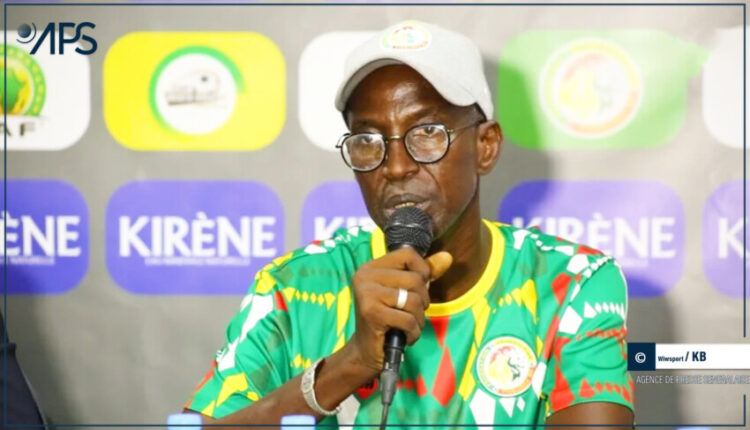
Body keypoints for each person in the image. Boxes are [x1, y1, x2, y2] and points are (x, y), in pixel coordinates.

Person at [184, 20, 634, 428]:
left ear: (486, 146)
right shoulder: (294, 287)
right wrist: (351, 362)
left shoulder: (570, 283)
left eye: (427, 133)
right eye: (368, 139)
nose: (396, 166)